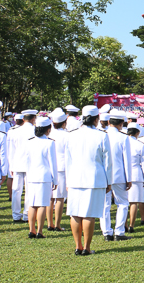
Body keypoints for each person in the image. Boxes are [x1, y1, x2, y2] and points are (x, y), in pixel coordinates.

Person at [64, 106, 112, 256]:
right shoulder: (102, 135)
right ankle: (86, 247)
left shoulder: (71, 135)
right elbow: (107, 162)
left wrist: (67, 180)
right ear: (96, 119)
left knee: (75, 213)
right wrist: (108, 181)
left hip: (75, 178)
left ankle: (78, 246)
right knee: (89, 214)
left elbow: (68, 160)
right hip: (94, 178)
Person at [23, 117, 58, 238]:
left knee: (32, 204)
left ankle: (31, 229)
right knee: (42, 204)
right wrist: (55, 179)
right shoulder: (49, 143)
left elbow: (27, 160)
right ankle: (39, 231)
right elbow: (53, 163)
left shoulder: (29, 141)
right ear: (48, 129)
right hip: (44, 176)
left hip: (31, 175)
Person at [101, 110, 132, 241]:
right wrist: (129, 178)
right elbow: (127, 160)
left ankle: (106, 232)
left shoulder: (102, 135)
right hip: (119, 175)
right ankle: (119, 232)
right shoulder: (124, 137)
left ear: (109, 122)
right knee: (123, 203)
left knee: (105, 205)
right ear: (121, 124)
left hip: (104, 176)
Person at [7, 109, 36, 223]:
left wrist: (11, 166)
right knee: (29, 190)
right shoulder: (35, 130)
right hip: (31, 163)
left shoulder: (14, 131)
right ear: (34, 119)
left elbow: (11, 150)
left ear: (23, 119)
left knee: (16, 190)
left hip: (17, 163)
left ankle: (16, 214)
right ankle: (26, 214)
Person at [47, 109, 69, 232]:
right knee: (60, 197)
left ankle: (50, 223)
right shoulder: (67, 135)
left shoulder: (49, 133)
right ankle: (57, 224)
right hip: (61, 167)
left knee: (50, 197)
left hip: (50, 167)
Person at [126, 123, 144, 232]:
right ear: (137, 133)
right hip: (136, 174)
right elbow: (143, 163)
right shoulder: (140, 144)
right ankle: (131, 225)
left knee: (124, 202)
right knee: (134, 202)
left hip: (124, 174)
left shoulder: (122, 142)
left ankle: (124, 224)